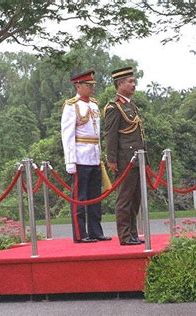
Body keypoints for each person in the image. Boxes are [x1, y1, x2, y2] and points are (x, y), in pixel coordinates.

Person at [61, 69, 111, 243]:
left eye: (92, 85)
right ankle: (81, 234)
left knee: (94, 197)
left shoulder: (94, 105)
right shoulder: (71, 105)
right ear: (78, 86)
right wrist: (70, 161)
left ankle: (96, 231)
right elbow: (67, 135)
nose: (91, 88)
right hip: (80, 156)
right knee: (80, 198)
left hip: (94, 156)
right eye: (88, 85)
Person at [104, 67, 146, 246]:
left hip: (137, 158)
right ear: (120, 84)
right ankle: (125, 236)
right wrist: (112, 159)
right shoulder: (114, 107)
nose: (133, 84)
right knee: (125, 199)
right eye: (130, 81)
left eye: (133, 81)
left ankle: (133, 234)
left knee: (135, 199)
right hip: (124, 160)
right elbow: (111, 135)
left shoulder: (131, 105)